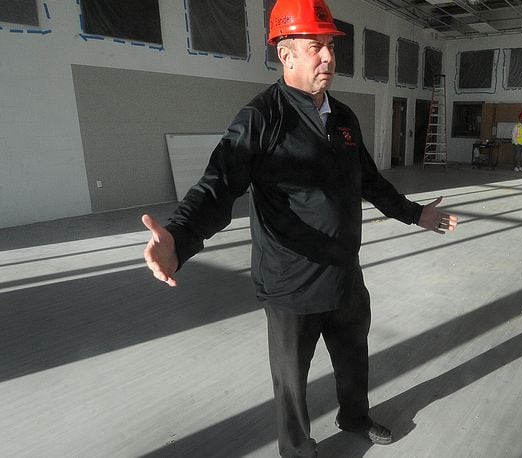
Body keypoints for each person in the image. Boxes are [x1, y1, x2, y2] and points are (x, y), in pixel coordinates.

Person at [140, 1, 459, 456]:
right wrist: (179, 237)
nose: (328, 57)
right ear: (284, 54)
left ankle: (354, 415)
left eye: (330, 46)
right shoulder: (261, 119)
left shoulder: (344, 119)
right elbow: (218, 185)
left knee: (353, 357)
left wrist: (415, 214)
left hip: (345, 274)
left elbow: (369, 180)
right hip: (290, 285)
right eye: (315, 47)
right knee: (291, 380)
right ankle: (296, 448)